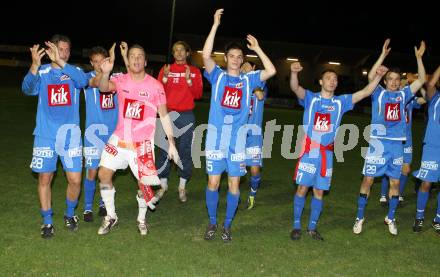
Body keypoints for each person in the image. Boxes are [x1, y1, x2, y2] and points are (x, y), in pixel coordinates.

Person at [289, 62, 388, 241]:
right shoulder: (311, 98)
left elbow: (365, 92)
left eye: (335, 79)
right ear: (320, 81)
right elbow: (295, 88)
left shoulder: (340, 102)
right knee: (303, 188)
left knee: (319, 191)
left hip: (327, 154)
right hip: (310, 151)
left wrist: (379, 77)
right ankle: (296, 226)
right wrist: (294, 73)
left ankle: (312, 227)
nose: (332, 81)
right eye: (328, 78)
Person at [202, 9, 276, 242]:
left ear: (242, 60)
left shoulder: (248, 79)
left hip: (237, 141)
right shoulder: (218, 76)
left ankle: (227, 225)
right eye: (231, 55)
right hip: (216, 138)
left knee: (234, 183)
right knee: (213, 182)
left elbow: (272, 70)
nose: (235, 59)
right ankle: (213, 223)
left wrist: (258, 49)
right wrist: (215, 25)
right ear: (225, 58)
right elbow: (205, 56)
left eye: (239, 56)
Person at [96, 43, 178, 236]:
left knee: (144, 185)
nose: (135, 59)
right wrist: (105, 73)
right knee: (103, 175)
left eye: (139, 56)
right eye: (132, 56)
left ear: (145, 61)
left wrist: (172, 143)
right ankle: (111, 215)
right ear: (129, 60)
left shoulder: (155, 86)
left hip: (142, 145)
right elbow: (103, 88)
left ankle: (141, 219)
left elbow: (164, 115)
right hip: (119, 139)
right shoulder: (121, 80)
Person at [353, 39, 426, 236]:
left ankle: (391, 218)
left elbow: (421, 81)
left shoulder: (404, 95)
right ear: (385, 81)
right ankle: (360, 216)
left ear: (399, 81)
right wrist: (382, 56)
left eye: (396, 79)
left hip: (396, 146)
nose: (393, 82)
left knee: (395, 183)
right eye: (390, 79)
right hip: (377, 143)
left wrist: (419, 58)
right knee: (368, 180)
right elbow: (370, 77)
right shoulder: (378, 93)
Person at [22, 34, 89, 238]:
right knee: (45, 177)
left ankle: (70, 214)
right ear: (51, 48)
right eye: (61, 49)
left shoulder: (74, 71)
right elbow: (27, 89)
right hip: (45, 135)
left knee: (75, 180)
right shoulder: (41, 72)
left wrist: (61, 62)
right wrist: (34, 65)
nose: (65, 53)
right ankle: (47, 221)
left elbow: (83, 81)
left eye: (68, 50)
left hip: (71, 136)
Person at [155, 40, 203, 203]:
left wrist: (189, 80)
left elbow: (198, 95)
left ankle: (182, 187)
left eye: (182, 50)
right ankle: (163, 185)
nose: (179, 53)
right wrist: (165, 79)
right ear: (173, 54)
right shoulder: (166, 69)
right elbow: (157, 91)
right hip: (167, 114)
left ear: (188, 53)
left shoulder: (195, 71)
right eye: (176, 51)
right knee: (163, 149)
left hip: (187, 115)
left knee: (184, 150)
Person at [82, 45, 119, 222]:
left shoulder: (118, 79)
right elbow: (98, 82)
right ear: (91, 63)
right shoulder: (86, 79)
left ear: (108, 61)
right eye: (95, 62)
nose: (98, 65)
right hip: (93, 134)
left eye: (102, 61)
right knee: (92, 171)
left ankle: (104, 204)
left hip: (113, 134)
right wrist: (104, 72)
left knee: (107, 172)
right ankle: (87, 207)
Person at [379, 82, 426, 206]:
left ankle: (398, 194)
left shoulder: (409, 99)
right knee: (388, 167)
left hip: (407, 139)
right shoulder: (388, 97)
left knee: (406, 169)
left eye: (406, 84)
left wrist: (421, 84)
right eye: (402, 83)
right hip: (392, 138)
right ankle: (384, 195)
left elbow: (425, 99)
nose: (403, 85)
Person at [412, 64, 440, 234]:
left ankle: (438, 219)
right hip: (432, 147)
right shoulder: (435, 97)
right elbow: (429, 84)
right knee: (426, 184)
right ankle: (419, 216)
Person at [240, 61, 266, 210]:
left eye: (248, 66)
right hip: (238, 134)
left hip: (254, 135)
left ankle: (252, 195)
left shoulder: (260, 84)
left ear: (254, 69)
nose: (244, 68)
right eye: (242, 66)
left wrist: (251, 78)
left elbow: (260, 96)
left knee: (254, 169)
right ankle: (234, 194)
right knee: (236, 169)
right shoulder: (239, 84)